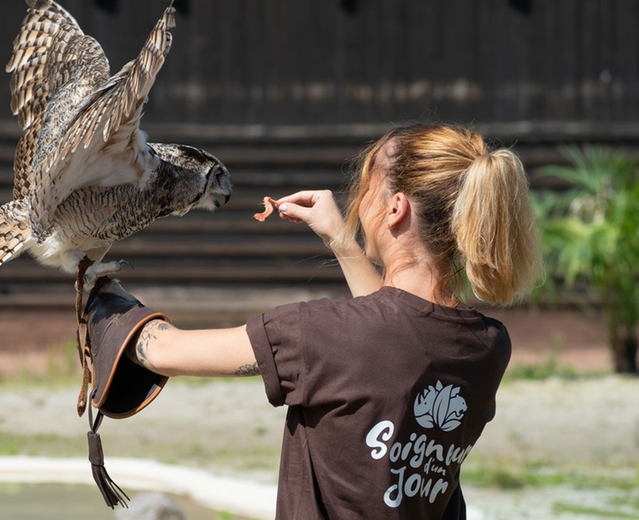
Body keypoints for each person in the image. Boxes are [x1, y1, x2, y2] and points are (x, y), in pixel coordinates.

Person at [84, 123, 543, 518]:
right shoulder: (487, 346)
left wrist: (97, 291)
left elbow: (162, 351)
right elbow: (395, 336)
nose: (358, 203)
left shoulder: (322, 334)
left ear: (396, 208)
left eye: (366, 188)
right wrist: (341, 239)